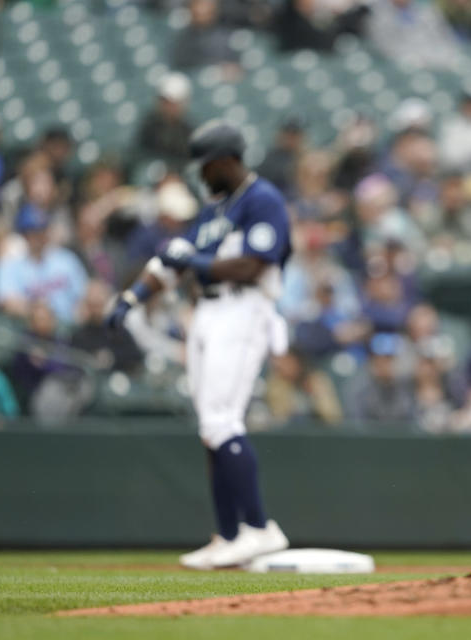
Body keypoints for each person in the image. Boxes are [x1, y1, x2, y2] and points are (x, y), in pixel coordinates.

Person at [105, 121, 292, 570]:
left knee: (224, 421)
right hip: (207, 313)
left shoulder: (262, 198)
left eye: (207, 166)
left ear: (227, 160)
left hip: (244, 308)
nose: (202, 174)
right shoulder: (213, 211)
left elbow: (254, 265)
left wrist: (198, 261)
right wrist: (134, 296)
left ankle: (260, 529)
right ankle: (228, 536)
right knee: (211, 428)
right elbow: (170, 261)